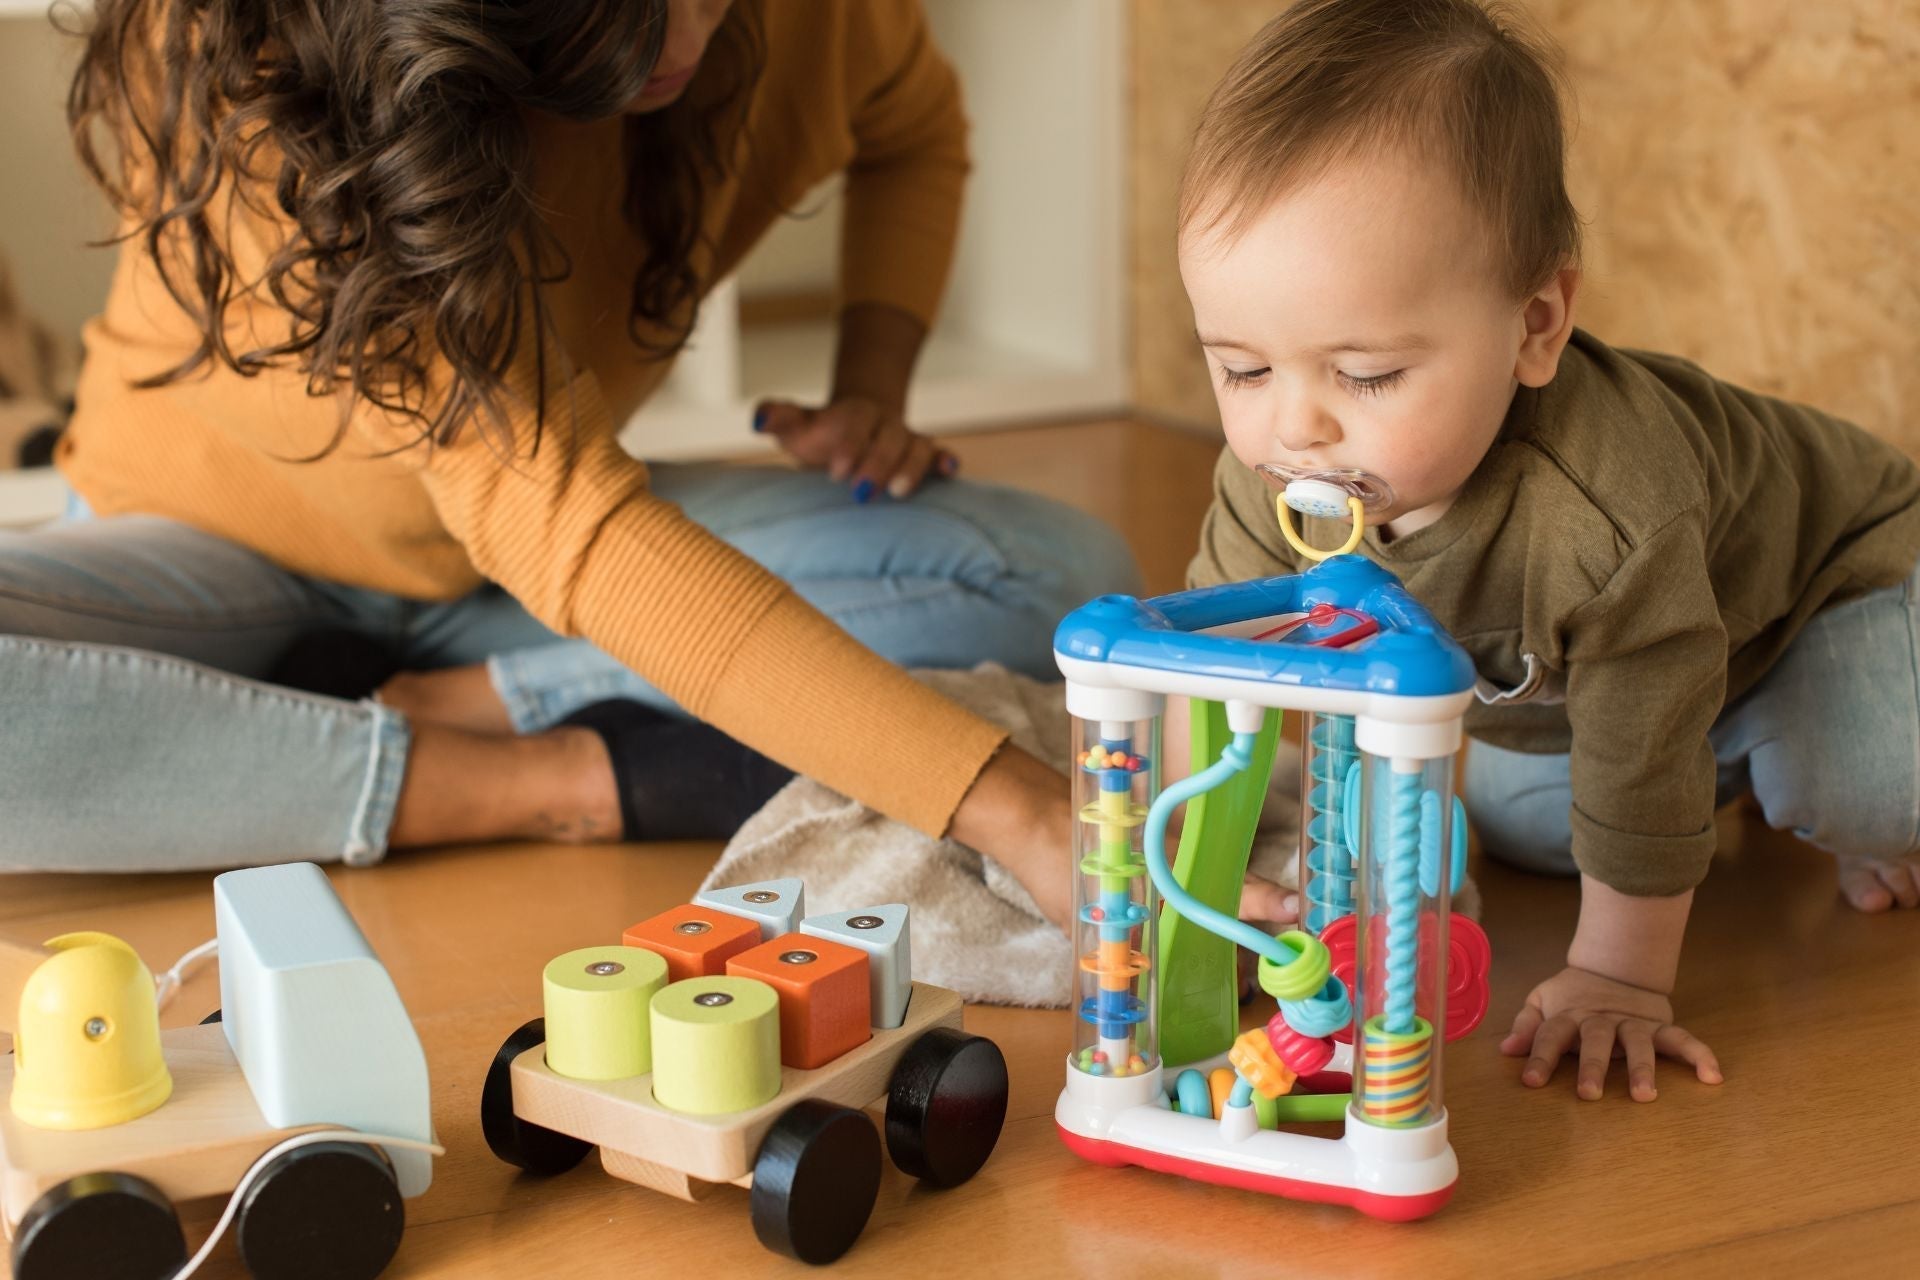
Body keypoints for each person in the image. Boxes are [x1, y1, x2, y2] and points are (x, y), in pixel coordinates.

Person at [0, 0, 1138, 930]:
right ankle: (514, 782)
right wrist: (1020, 810)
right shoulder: (272, 53)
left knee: (1055, 573)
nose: (677, 46)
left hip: (505, 585)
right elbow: (563, 519)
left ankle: (429, 710)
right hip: (214, 548)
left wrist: (871, 386)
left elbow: (915, 124)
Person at [1170, 0, 1920, 1101]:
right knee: (1529, 831)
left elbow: (1644, 719)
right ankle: (1737, 768)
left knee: (1841, 781)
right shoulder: (1268, 479)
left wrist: (1618, 974)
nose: (1297, 429)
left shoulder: (1607, 506)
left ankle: (1814, 751)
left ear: (1535, 326)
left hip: (1836, 582)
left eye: (1366, 374)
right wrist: (1202, 879)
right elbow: (1211, 673)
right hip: (1606, 672)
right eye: (1242, 369)